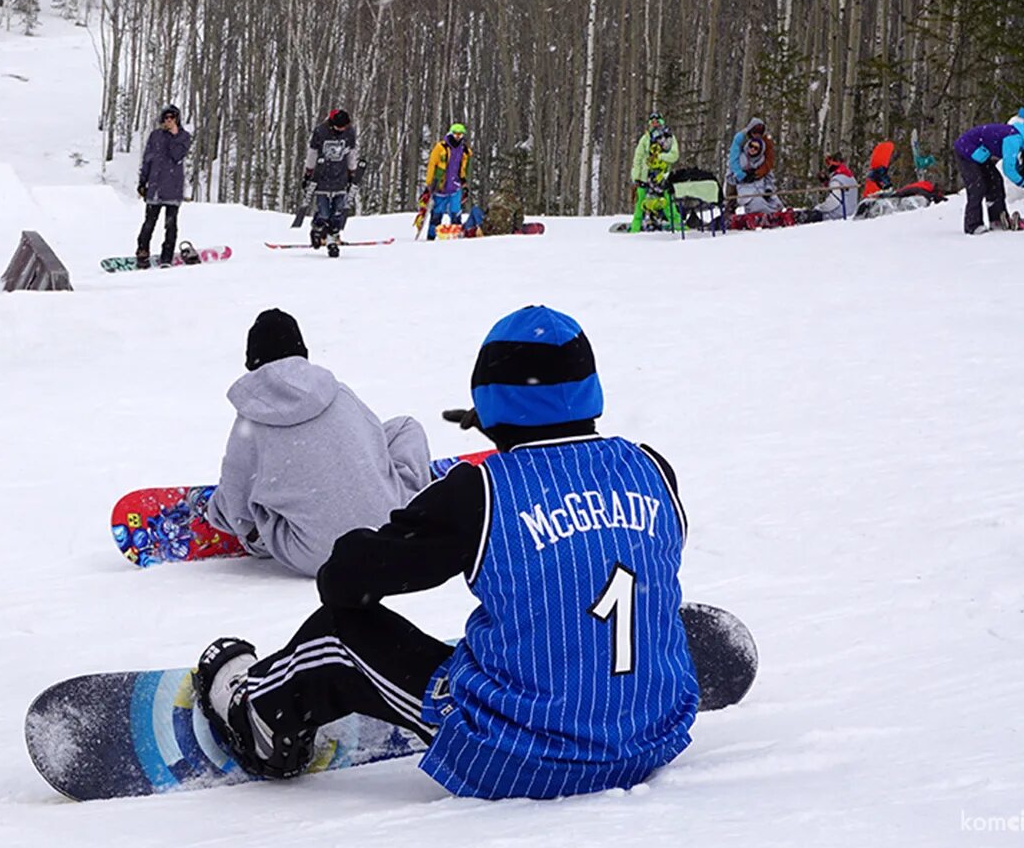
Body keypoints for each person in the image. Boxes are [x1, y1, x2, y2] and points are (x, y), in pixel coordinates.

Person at [194, 305, 698, 800]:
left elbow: (347, 582)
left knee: (340, 634)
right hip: (651, 737)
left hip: (522, 755)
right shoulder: (651, 468)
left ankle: (258, 717)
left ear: (489, 398)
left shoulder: (480, 493)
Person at [204, 309, 432, 578]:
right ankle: (412, 493)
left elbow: (237, 506)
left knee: (251, 503)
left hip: (319, 554)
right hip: (387, 530)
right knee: (405, 427)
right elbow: (375, 445)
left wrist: (217, 513)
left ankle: (269, 536)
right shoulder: (339, 394)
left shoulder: (250, 422)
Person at [952, 119, 1024, 234]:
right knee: (977, 187)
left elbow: (1014, 164)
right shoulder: (1014, 139)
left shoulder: (1020, 136)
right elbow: (1008, 169)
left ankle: (997, 219)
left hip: (979, 152)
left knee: (995, 182)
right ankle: (973, 225)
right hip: (966, 149)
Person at [135, 105, 192, 267]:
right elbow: (147, 159)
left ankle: (167, 257)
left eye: (172, 118)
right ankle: (142, 252)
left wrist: (174, 136)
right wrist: (142, 182)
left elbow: (177, 156)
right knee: (148, 223)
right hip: (155, 187)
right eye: (166, 118)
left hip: (173, 188)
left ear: (177, 119)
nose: (169, 121)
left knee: (171, 225)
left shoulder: (184, 137)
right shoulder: (155, 136)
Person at [305, 109, 360, 256]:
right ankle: (316, 229)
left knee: (337, 213)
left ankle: (331, 242)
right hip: (322, 177)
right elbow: (312, 153)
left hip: (340, 177)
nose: (342, 130)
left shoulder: (349, 133)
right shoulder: (320, 132)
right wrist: (309, 172)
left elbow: (351, 153)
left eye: (344, 127)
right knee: (323, 213)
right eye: (339, 127)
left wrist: (352, 172)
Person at [629, 112, 681, 232]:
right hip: (644, 177)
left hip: (662, 177)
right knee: (640, 206)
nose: (655, 124)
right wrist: (635, 177)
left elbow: (674, 155)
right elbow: (638, 158)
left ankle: (678, 226)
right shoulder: (645, 138)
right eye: (652, 122)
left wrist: (660, 157)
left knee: (668, 205)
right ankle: (635, 230)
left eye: (657, 121)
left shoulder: (669, 137)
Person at [422, 124, 471, 240]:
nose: (458, 137)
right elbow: (431, 164)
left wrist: (464, 183)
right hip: (440, 187)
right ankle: (431, 236)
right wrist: (429, 183)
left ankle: (456, 235)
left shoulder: (464, 150)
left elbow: (463, 168)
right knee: (437, 213)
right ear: (451, 133)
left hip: (455, 187)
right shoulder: (440, 147)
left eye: (460, 134)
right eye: (455, 134)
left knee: (456, 212)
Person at [728, 117, 784, 215]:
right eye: (755, 131)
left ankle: (773, 215)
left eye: (760, 132)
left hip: (760, 188)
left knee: (776, 204)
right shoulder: (741, 139)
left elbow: (769, 161)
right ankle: (730, 208)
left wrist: (761, 174)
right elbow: (733, 160)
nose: (757, 134)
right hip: (746, 189)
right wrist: (741, 175)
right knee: (756, 203)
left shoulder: (765, 144)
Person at [814, 154, 859, 220]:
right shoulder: (851, 178)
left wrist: (819, 208)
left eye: (828, 163)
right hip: (851, 214)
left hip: (837, 215)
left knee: (809, 216)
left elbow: (834, 201)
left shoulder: (836, 180)